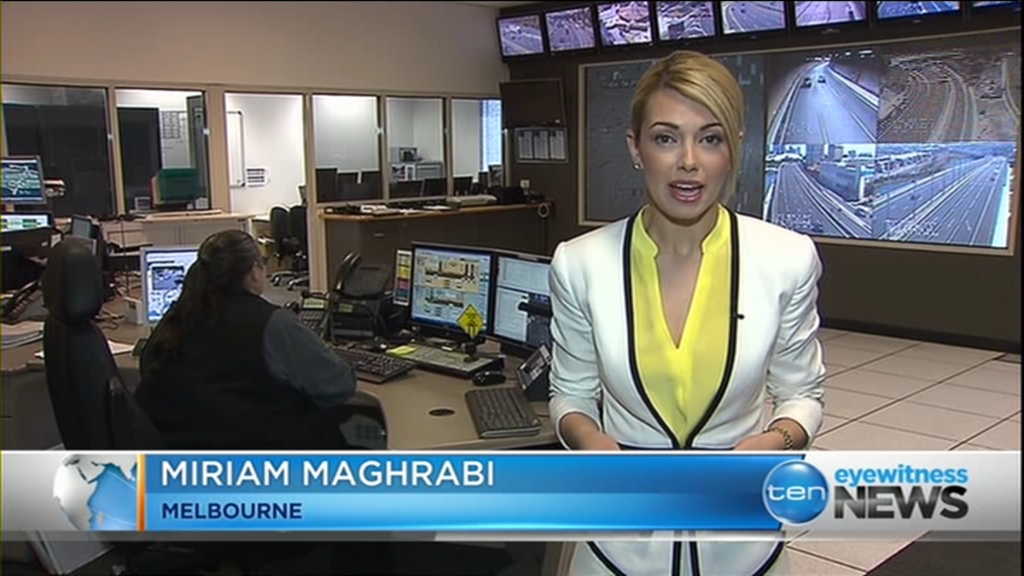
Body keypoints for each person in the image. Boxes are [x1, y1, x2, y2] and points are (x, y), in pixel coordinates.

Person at [548, 50, 826, 575]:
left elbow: (802, 395)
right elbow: (571, 395)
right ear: (635, 148)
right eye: (666, 138)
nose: (689, 161)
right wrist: (592, 443)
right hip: (618, 548)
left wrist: (775, 442)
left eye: (710, 139)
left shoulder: (786, 259)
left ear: (733, 149)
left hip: (742, 546)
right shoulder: (580, 263)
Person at [136, 229, 359, 450]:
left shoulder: (174, 320)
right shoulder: (272, 323)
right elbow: (339, 386)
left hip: (184, 464)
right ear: (254, 271)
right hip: (273, 463)